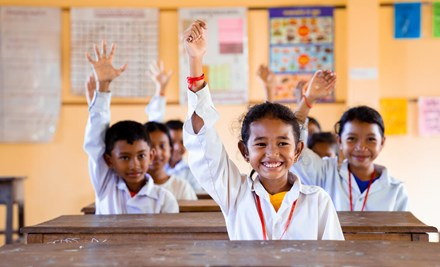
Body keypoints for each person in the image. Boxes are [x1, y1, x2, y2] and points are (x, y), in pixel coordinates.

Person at [182, 20, 343, 240]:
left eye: (282, 143)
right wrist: (195, 60)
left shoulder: (317, 200)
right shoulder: (234, 193)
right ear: (244, 151)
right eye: (260, 143)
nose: (272, 152)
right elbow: (203, 139)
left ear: (298, 150)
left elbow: (334, 258)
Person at [84, 40, 178, 214]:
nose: (134, 165)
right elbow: (95, 142)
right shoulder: (105, 185)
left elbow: (169, 242)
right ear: (109, 160)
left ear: (151, 155)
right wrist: (102, 87)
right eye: (125, 157)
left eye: (141, 156)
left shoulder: (165, 199)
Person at [291, 78, 409, 211]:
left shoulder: (395, 191)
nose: (361, 147)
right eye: (352, 139)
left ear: (382, 142)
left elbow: (402, 232)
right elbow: (292, 145)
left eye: (370, 139)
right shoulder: (325, 172)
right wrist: (309, 99)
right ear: (340, 141)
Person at [145, 60, 203, 192]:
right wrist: (160, 90)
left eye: (182, 142)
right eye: (171, 142)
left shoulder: (191, 173)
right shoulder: (152, 167)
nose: (177, 147)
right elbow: (154, 127)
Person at [144, 121, 197, 200]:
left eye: (162, 146)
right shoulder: (129, 186)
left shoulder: (182, 187)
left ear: (169, 148)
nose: (157, 153)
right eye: (150, 146)